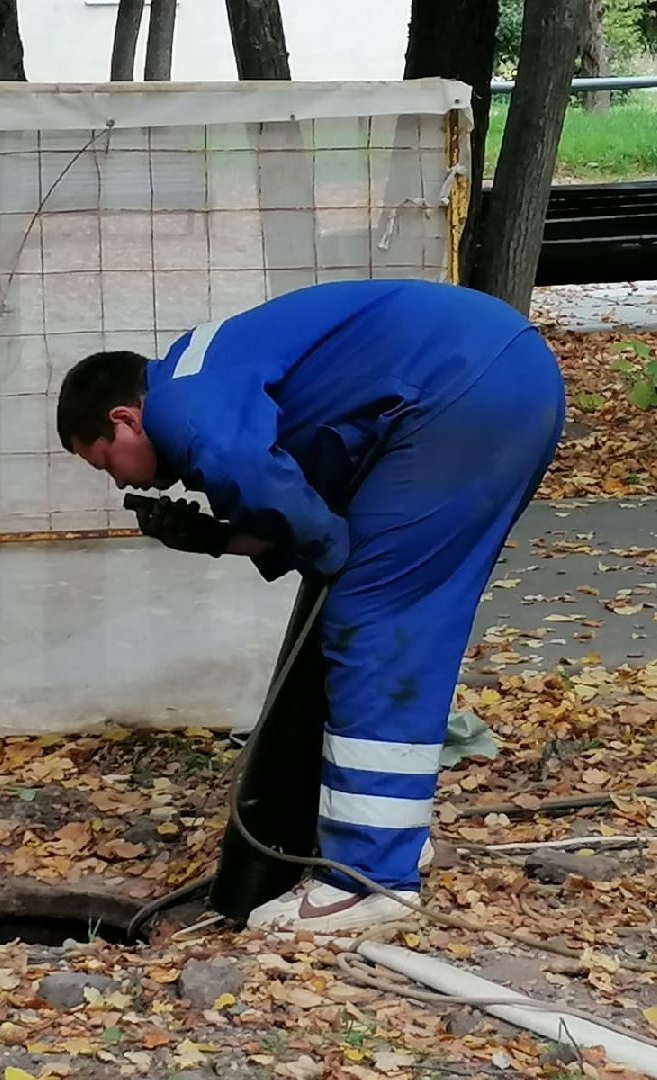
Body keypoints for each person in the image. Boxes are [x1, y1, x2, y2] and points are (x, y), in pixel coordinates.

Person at [56, 278, 564, 933]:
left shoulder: (182, 404)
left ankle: (369, 882)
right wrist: (218, 539)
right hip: (496, 376)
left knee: (374, 623)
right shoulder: (209, 373)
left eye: (106, 462)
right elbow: (307, 506)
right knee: (395, 614)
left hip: (460, 391)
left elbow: (310, 523)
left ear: (124, 418)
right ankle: (384, 835)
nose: (121, 480)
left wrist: (323, 550)